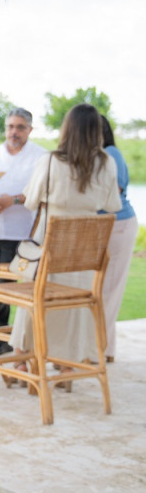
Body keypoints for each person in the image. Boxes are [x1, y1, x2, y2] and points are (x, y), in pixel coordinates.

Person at [9, 104, 120, 379]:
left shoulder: (50, 160)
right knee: (71, 306)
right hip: (83, 259)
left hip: (49, 251)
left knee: (32, 292)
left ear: (66, 129)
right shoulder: (106, 162)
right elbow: (112, 205)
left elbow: (31, 201)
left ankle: (23, 359)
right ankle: (66, 361)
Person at [0, 108, 47, 353]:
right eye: (10, 127)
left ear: (30, 129)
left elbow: (42, 194)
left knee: (5, 286)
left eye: (19, 127)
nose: (14, 132)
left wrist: (13, 200)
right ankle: (3, 341)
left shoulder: (41, 157)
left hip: (22, 233)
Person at [98, 115, 138, 362]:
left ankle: (103, 350)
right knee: (101, 290)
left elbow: (117, 191)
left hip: (119, 224)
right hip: (105, 226)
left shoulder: (111, 153)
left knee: (110, 289)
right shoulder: (101, 155)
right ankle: (104, 349)